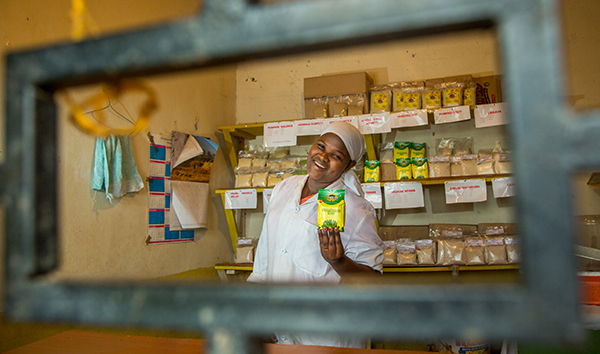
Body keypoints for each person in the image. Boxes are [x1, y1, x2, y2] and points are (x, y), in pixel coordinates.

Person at [247, 121, 384, 348]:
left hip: (326, 336)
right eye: (320, 146)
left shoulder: (356, 209)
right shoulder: (283, 189)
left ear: (348, 166)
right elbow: (263, 261)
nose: (322, 156)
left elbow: (373, 283)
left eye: (336, 155)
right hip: (277, 330)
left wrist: (339, 262)